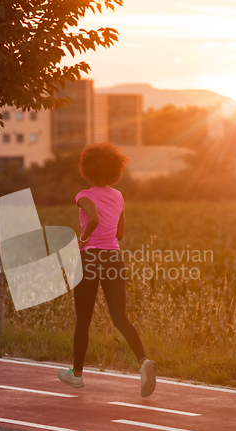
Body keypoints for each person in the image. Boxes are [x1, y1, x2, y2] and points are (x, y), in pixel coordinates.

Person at [58, 143, 156, 397]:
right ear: (114, 170)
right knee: (119, 317)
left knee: (84, 319)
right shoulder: (119, 196)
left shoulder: (83, 195)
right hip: (113, 258)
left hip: (90, 258)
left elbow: (93, 219)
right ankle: (144, 362)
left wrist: (83, 239)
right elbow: (120, 233)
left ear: (87, 169)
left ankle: (76, 376)